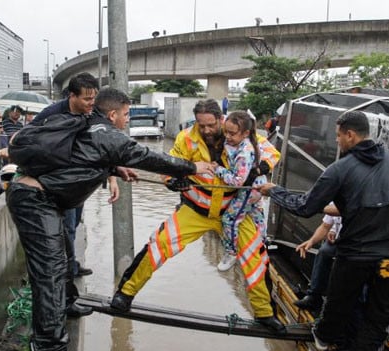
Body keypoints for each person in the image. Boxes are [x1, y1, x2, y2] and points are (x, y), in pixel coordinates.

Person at [6, 87, 212, 351]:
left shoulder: (90, 127)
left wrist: (113, 170)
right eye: (126, 114)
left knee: (64, 257)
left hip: (43, 200)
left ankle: (66, 304)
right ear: (113, 114)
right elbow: (149, 157)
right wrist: (191, 168)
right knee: (49, 274)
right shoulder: (107, 134)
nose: (127, 120)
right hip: (36, 202)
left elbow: (78, 157)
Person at [257, 110, 389, 351]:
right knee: (378, 317)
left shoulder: (340, 169)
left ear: (350, 134)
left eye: (338, 137)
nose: (336, 142)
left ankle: (325, 336)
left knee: (339, 300)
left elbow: (305, 206)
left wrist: (274, 191)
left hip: (356, 253)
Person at [111, 99, 286, 334]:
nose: (206, 130)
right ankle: (125, 294)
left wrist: (259, 170)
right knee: (158, 246)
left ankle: (265, 314)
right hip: (195, 209)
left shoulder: (236, 135)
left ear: (221, 120)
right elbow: (169, 164)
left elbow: (272, 153)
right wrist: (173, 180)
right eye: (201, 125)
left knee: (256, 260)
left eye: (211, 125)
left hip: (233, 213)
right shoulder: (186, 138)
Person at [31, 72, 112, 277]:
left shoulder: (91, 115)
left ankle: (70, 264)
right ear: (72, 96)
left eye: (93, 98)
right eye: (86, 99)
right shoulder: (52, 114)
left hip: (80, 183)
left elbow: (102, 149)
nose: (91, 103)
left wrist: (112, 176)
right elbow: (28, 136)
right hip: (59, 182)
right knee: (67, 228)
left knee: (74, 224)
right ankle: (67, 271)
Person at [212, 111, 267, 271]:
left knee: (229, 219)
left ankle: (231, 253)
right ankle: (262, 244)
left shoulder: (244, 152)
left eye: (232, 133)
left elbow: (237, 181)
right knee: (257, 216)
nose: (228, 136)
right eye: (226, 132)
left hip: (248, 190)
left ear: (245, 133)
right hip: (258, 187)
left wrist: (219, 170)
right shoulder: (248, 141)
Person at [293, 203, 342, 313]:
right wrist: (311, 241)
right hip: (340, 241)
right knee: (324, 252)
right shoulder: (336, 200)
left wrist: (317, 206)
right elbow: (325, 226)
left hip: (360, 244)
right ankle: (314, 295)